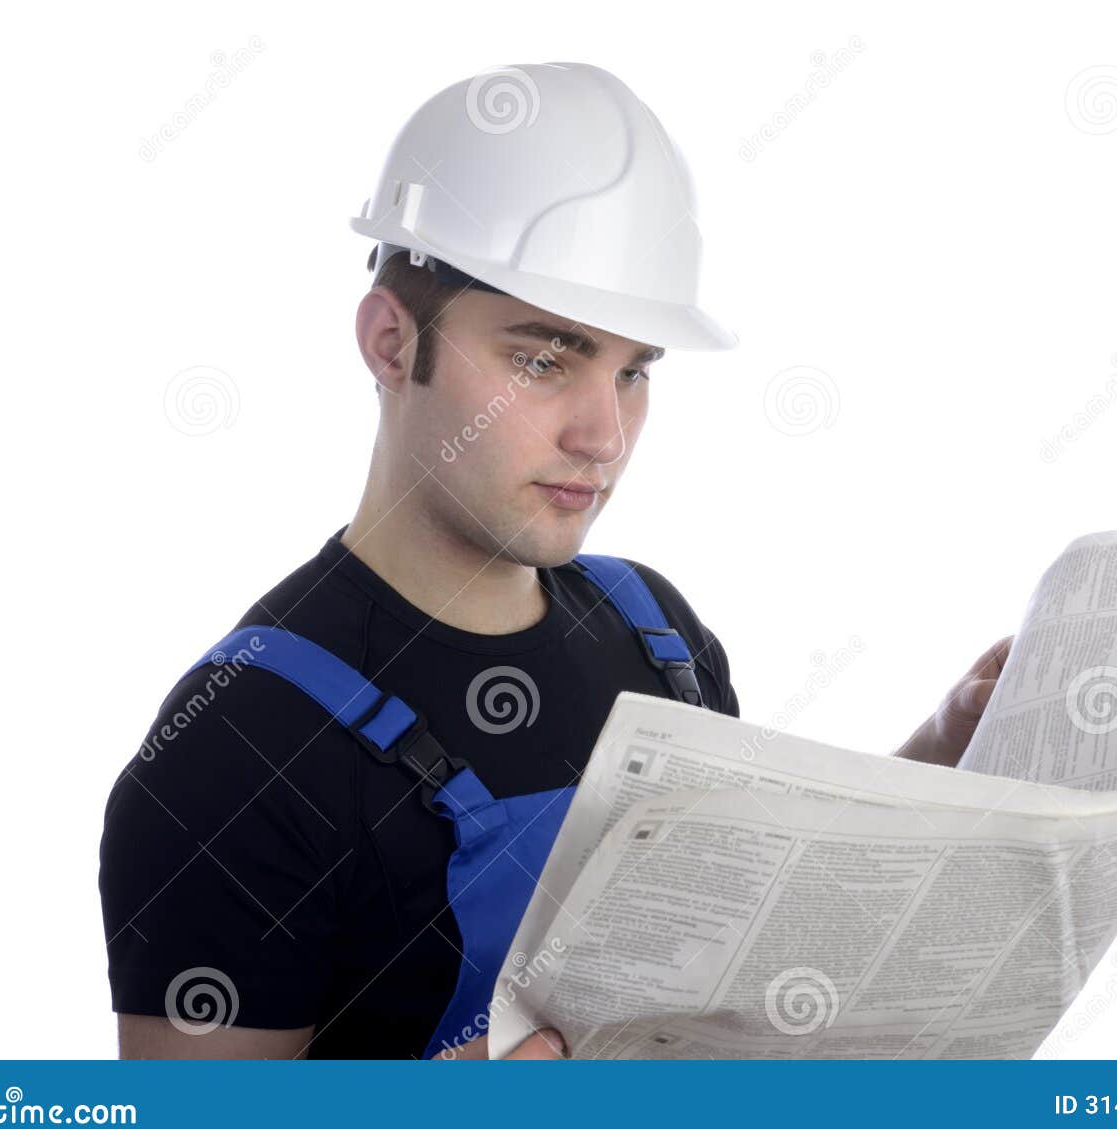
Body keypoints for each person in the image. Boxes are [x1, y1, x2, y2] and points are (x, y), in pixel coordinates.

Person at [97, 61, 1008, 1061]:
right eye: (544, 358)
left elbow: (749, 935)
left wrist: (943, 754)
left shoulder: (652, 629)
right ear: (393, 344)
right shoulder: (236, 747)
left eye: (633, 372)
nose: (604, 435)